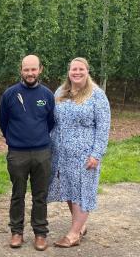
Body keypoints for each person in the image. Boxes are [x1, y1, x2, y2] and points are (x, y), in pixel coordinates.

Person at [47, 57, 110, 248]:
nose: (77, 72)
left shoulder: (97, 95)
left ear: (87, 71)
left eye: (81, 69)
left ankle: (73, 234)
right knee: (68, 189)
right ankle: (80, 226)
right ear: (69, 71)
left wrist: (97, 153)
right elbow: (53, 121)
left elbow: (103, 126)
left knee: (82, 192)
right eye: (74, 69)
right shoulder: (60, 92)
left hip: (84, 155)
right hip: (61, 153)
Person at [0, 55, 55, 251]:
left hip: (42, 153)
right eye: (26, 69)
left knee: (40, 195)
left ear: (40, 70)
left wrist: (38, 138)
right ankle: (17, 232)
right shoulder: (10, 94)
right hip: (17, 153)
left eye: (33, 69)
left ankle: (40, 233)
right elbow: (3, 122)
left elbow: (50, 122)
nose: (30, 73)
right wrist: (14, 140)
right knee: (17, 194)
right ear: (21, 70)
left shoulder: (47, 95)